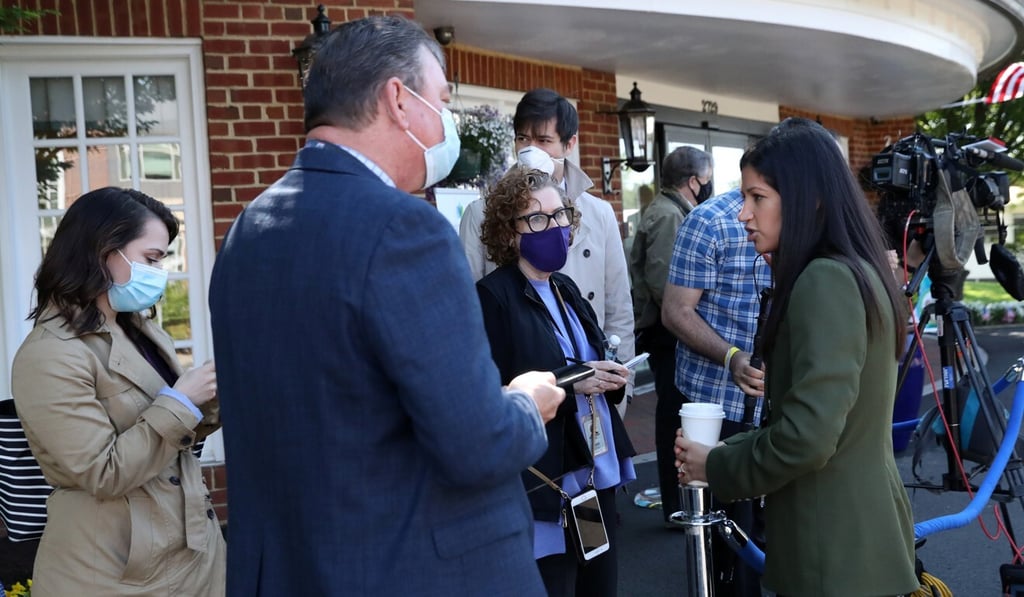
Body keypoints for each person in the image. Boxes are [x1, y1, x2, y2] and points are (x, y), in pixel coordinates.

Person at [208, 16, 564, 597]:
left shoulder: (249, 228)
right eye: (444, 100)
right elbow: (478, 443)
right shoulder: (404, 228)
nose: (449, 123)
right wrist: (525, 404)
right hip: (414, 569)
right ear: (399, 99)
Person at [674, 117, 919, 596]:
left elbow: (808, 438)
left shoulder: (823, 280)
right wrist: (731, 450)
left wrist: (717, 466)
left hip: (833, 549)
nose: (743, 213)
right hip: (855, 539)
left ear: (810, 201)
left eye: (757, 197)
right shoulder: (857, 270)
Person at [11, 187, 224, 596]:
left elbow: (172, 438)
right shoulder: (50, 355)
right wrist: (181, 400)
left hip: (192, 554)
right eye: (151, 259)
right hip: (116, 573)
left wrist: (216, 396)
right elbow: (102, 472)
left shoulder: (137, 328)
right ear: (104, 250)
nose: (160, 272)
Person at [475, 165, 636, 597]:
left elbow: (592, 360)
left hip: (592, 471)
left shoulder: (564, 287)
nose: (555, 226)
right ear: (510, 233)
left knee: (598, 584)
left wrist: (612, 377)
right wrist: (573, 385)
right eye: (538, 218)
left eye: (561, 214)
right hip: (545, 480)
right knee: (556, 585)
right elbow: (495, 395)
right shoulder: (493, 297)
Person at [459, 88, 635, 415]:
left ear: (569, 145)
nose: (530, 150)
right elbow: (467, 311)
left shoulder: (598, 213)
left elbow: (618, 307)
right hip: (523, 391)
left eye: (543, 140)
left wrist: (622, 387)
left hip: (597, 391)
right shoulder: (481, 213)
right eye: (522, 138)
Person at [629, 145, 714, 523]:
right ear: (694, 181)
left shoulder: (674, 212)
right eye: (707, 179)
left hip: (671, 334)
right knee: (673, 422)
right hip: (667, 336)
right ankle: (678, 505)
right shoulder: (667, 217)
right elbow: (668, 290)